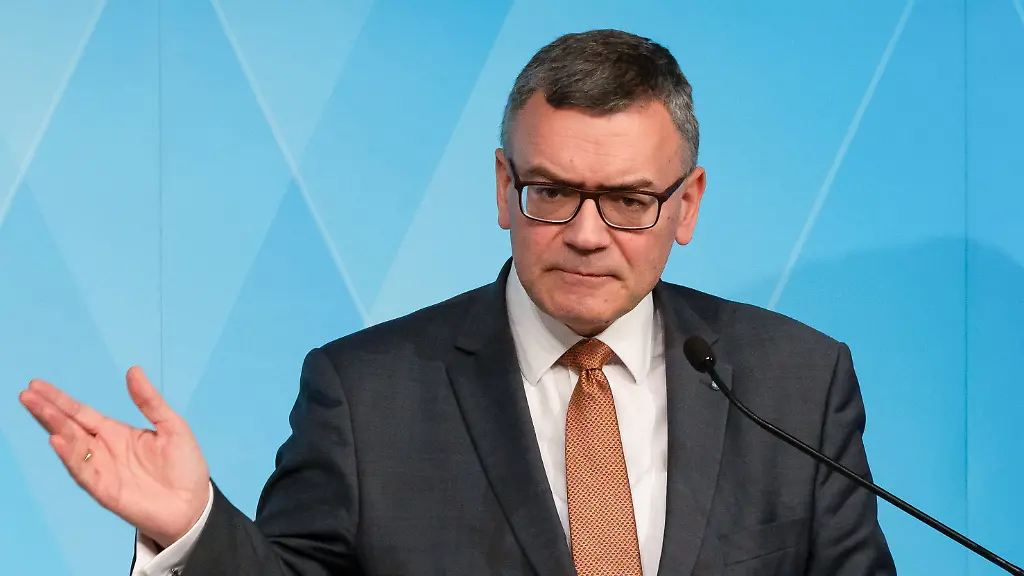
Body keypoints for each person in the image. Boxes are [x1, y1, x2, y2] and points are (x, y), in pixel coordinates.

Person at [18, 29, 896, 575]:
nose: (587, 234)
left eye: (629, 200)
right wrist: (194, 531)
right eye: (552, 191)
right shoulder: (365, 397)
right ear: (503, 187)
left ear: (688, 204)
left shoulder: (795, 385)